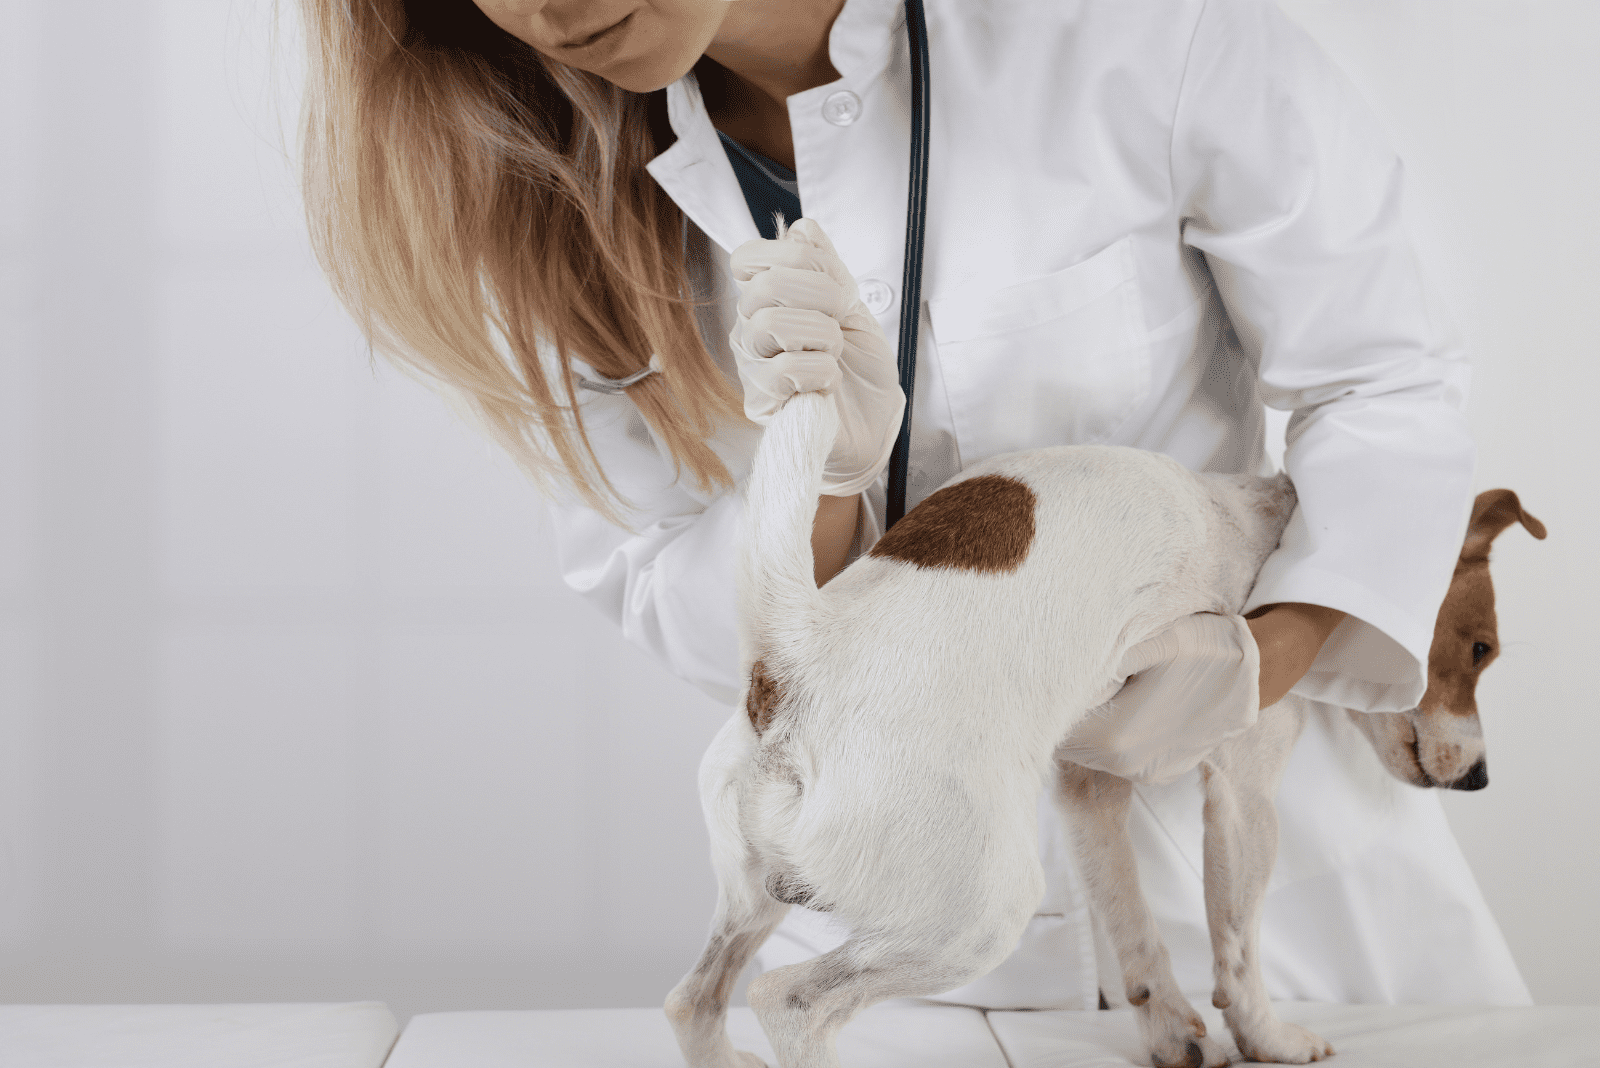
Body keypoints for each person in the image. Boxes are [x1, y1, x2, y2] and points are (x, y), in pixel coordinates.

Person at [296, 0, 1531, 1008]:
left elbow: (1382, 379)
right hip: (896, 909)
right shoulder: (530, 191)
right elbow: (664, 585)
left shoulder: (1138, 35)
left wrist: (1259, 665)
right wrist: (821, 481)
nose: (540, 7)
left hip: (1272, 904)